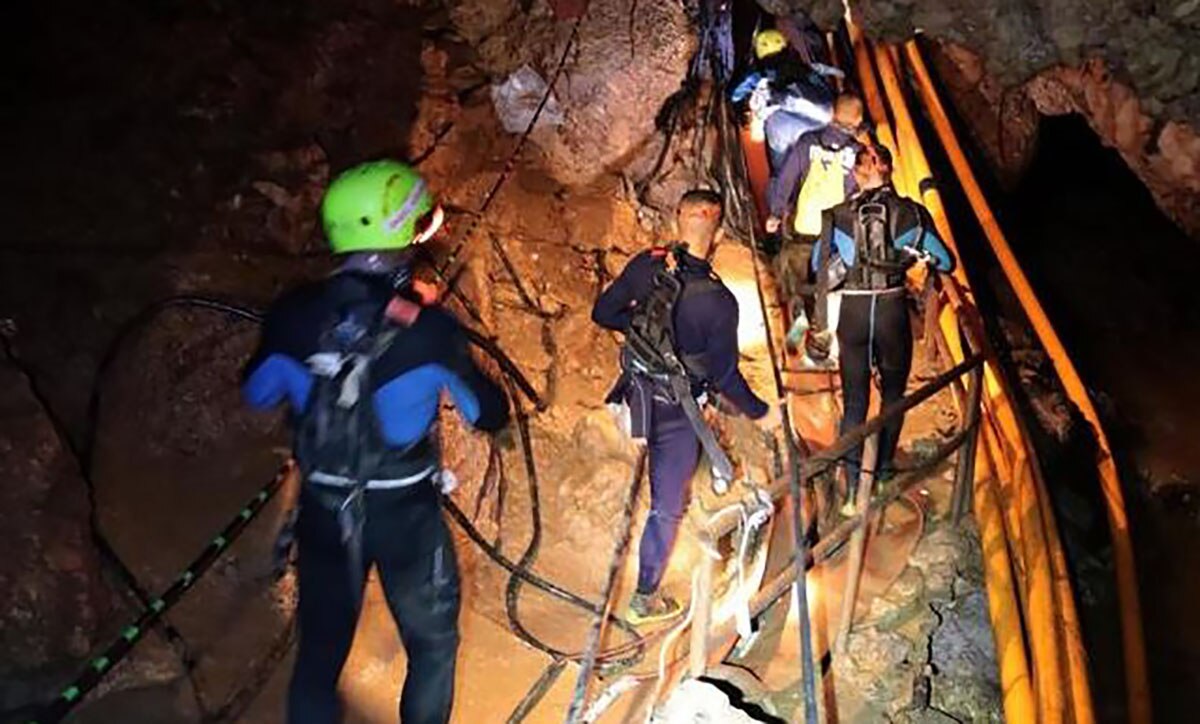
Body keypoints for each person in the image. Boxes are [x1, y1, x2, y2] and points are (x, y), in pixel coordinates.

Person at [242, 160, 510, 724]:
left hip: (323, 510)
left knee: (317, 654)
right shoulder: (430, 330)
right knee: (432, 646)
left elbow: (259, 393)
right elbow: (486, 413)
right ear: (404, 232)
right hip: (404, 514)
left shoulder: (292, 315)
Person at [592, 189, 775, 624]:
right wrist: (760, 411)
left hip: (633, 392)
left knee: (653, 452)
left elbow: (603, 313)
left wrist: (638, 327)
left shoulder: (645, 264)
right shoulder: (719, 301)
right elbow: (726, 377)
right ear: (719, 232)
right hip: (677, 412)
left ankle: (640, 452)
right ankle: (644, 598)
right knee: (666, 506)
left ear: (677, 219)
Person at [806, 146, 955, 511]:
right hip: (890, 312)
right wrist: (912, 255)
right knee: (892, 396)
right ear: (890, 169)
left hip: (853, 314)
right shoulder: (912, 214)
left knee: (855, 401)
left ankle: (852, 486)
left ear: (856, 173)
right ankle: (884, 468)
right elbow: (946, 261)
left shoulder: (836, 216)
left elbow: (817, 264)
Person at [766, 93, 866, 349]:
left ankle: (798, 321)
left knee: (798, 277)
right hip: (833, 232)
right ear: (859, 120)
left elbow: (786, 178)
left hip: (803, 225)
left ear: (833, 113)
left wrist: (776, 212)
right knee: (825, 281)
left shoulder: (809, 141)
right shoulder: (857, 153)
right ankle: (820, 337)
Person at [730, 29, 836, 173]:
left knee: (782, 168)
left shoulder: (759, 76)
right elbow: (825, 92)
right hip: (818, 125)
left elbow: (735, 95)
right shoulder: (805, 69)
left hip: (783, 132)